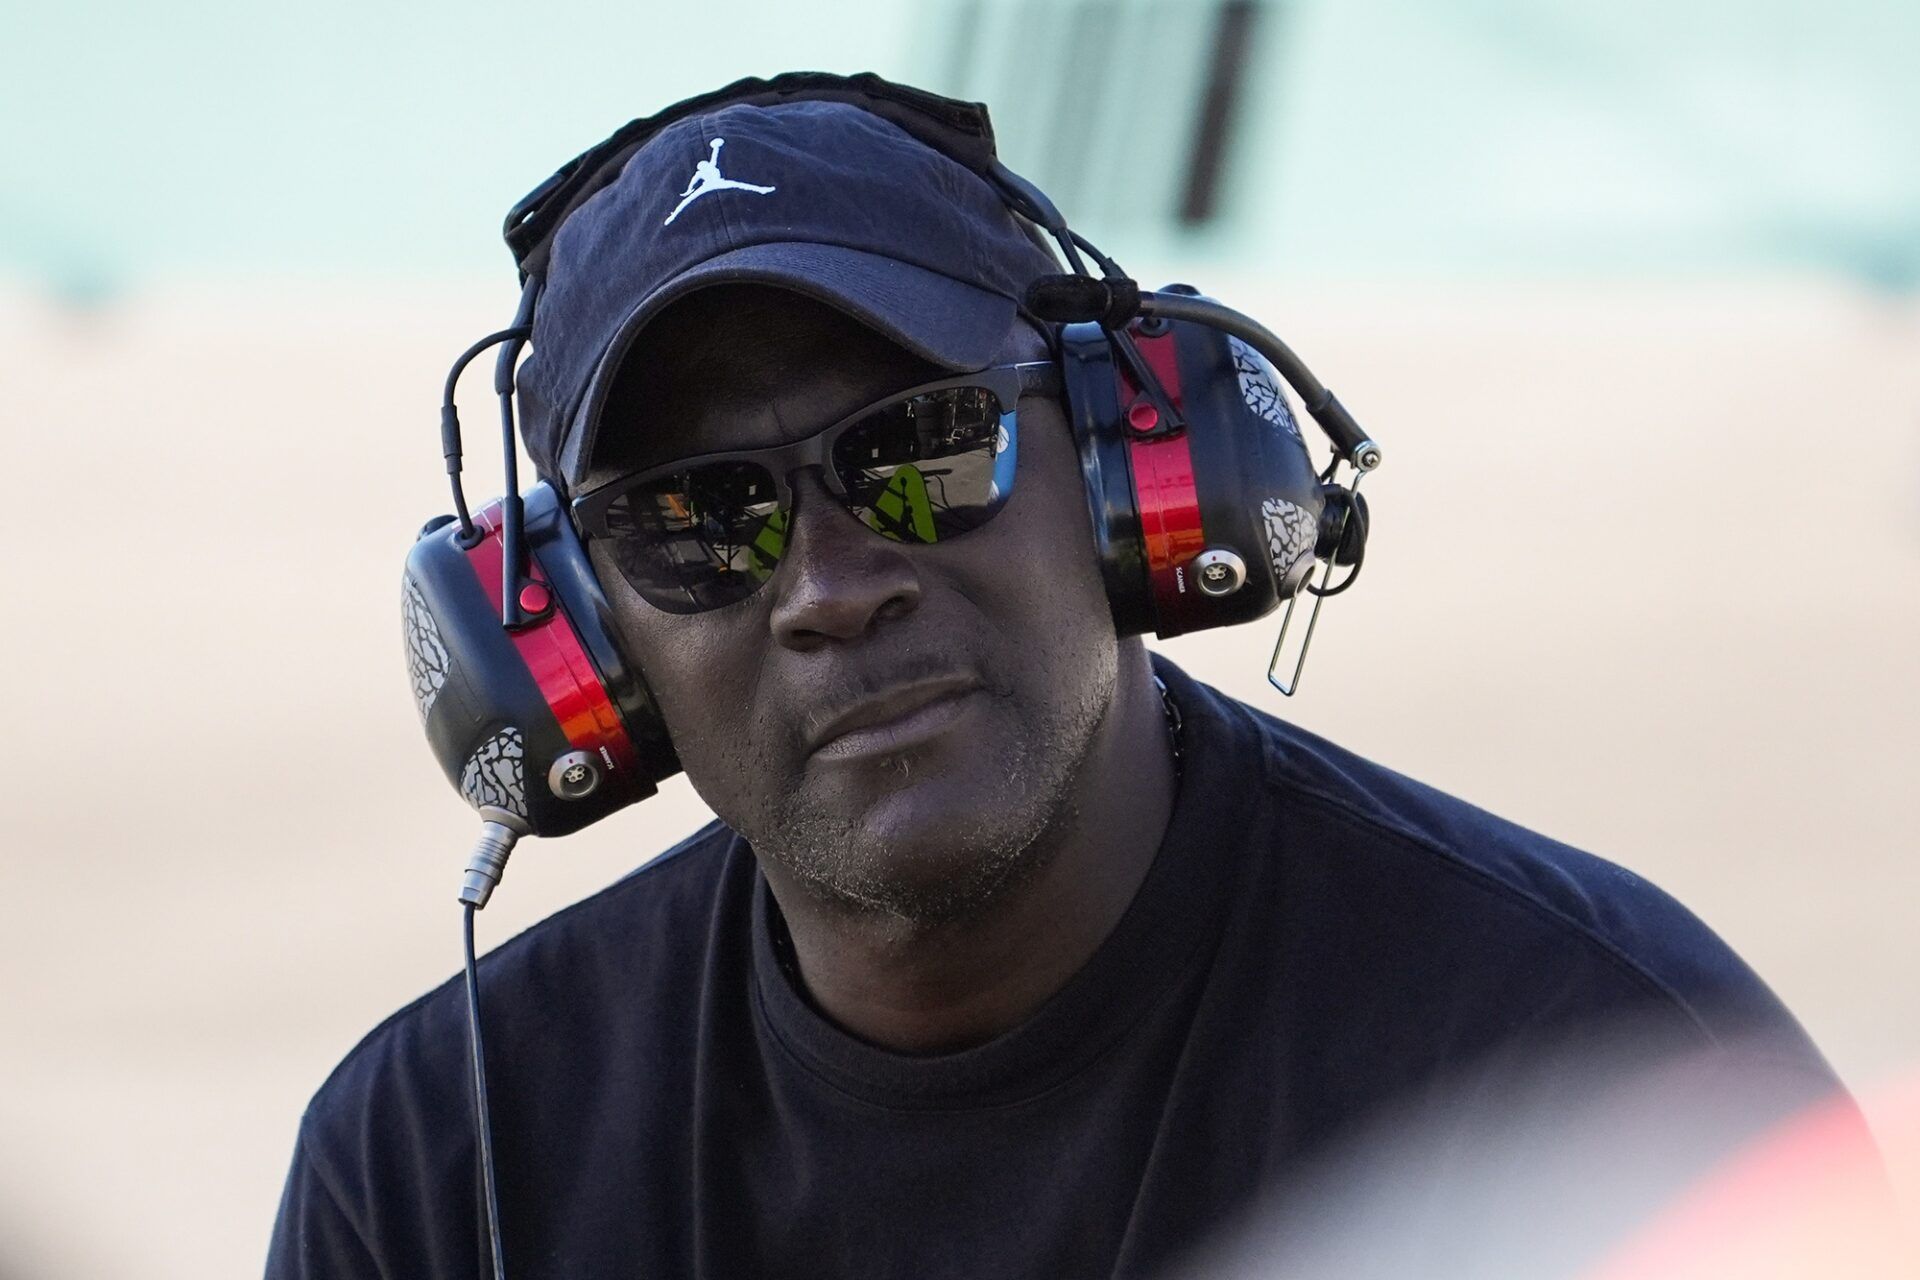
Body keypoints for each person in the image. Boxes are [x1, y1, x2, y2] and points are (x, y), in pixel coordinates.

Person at [267, 78, 1854, 1279]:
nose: (829, 586)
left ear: (1131, 470)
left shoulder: (1601, 1082)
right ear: (579, 651)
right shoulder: (434, 1171)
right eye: (696, 524)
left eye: (920, 450)